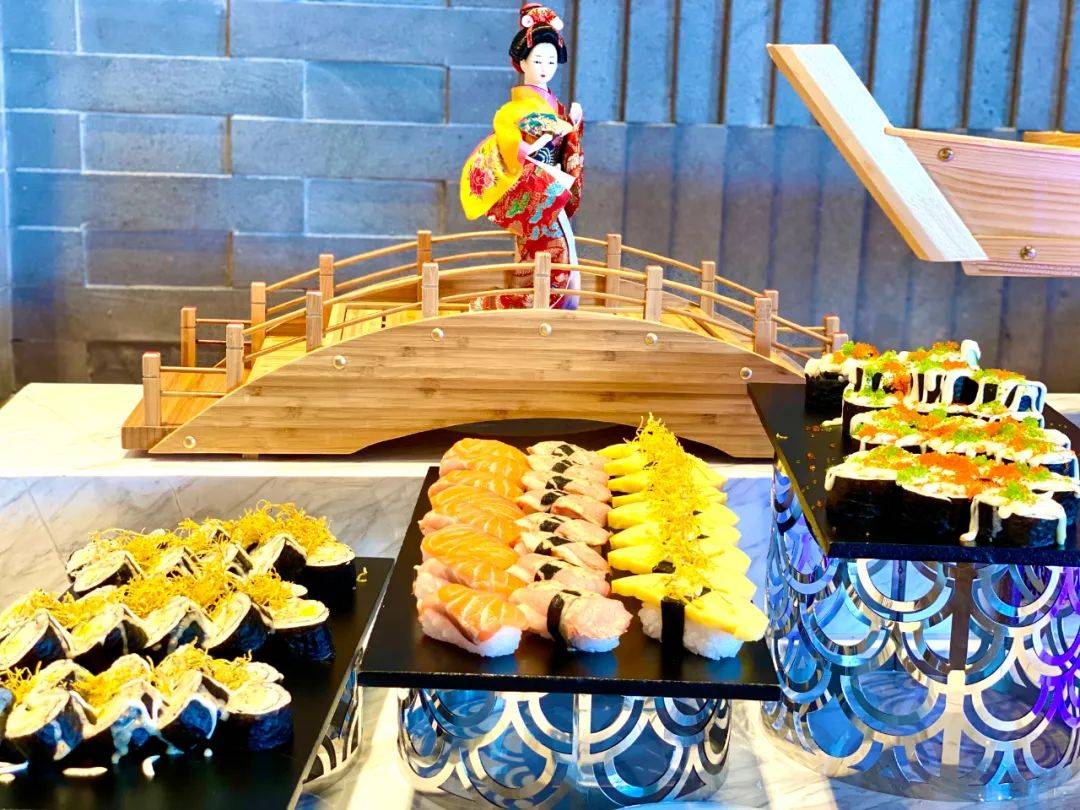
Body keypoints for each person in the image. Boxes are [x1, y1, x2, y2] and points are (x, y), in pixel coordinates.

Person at [459, 3, 584, 309]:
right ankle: (528, 306)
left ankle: (543, 305)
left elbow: (565, 139)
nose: (545, 67)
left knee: (558, 251)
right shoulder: (513, 111)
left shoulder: (555, 105)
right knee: (548, 249)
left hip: (552, 183)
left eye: (551, 61)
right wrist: (529, 151)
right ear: (522, 62)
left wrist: (573, 125)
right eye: (538, 60)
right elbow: (510, 141)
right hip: (535, 188)